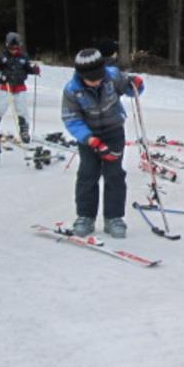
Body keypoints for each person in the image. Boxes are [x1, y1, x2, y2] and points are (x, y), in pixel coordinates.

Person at [61, 48, 144, 238]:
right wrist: (92, 141)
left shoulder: (112, 76)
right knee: (87, 174)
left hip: (114, 132)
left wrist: (137, 84)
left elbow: (132, 88)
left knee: (114, 174)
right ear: (82, 76)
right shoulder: (72, 90)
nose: (97, 81)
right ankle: (85, 217)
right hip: (89, 137)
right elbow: (71, 119)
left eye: (99, 77)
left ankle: (113, 218)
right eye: (92, 79)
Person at [0, 32, 41, 143]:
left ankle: (24, 130)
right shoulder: (2, 56)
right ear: (7, 46)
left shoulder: (23, 56)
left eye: (16, 48)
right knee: (0, 107)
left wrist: (34, 70)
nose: (13, 50)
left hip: (19, 86)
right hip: (6, 85)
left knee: (22, 109)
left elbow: (28, 68)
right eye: (11, 48)